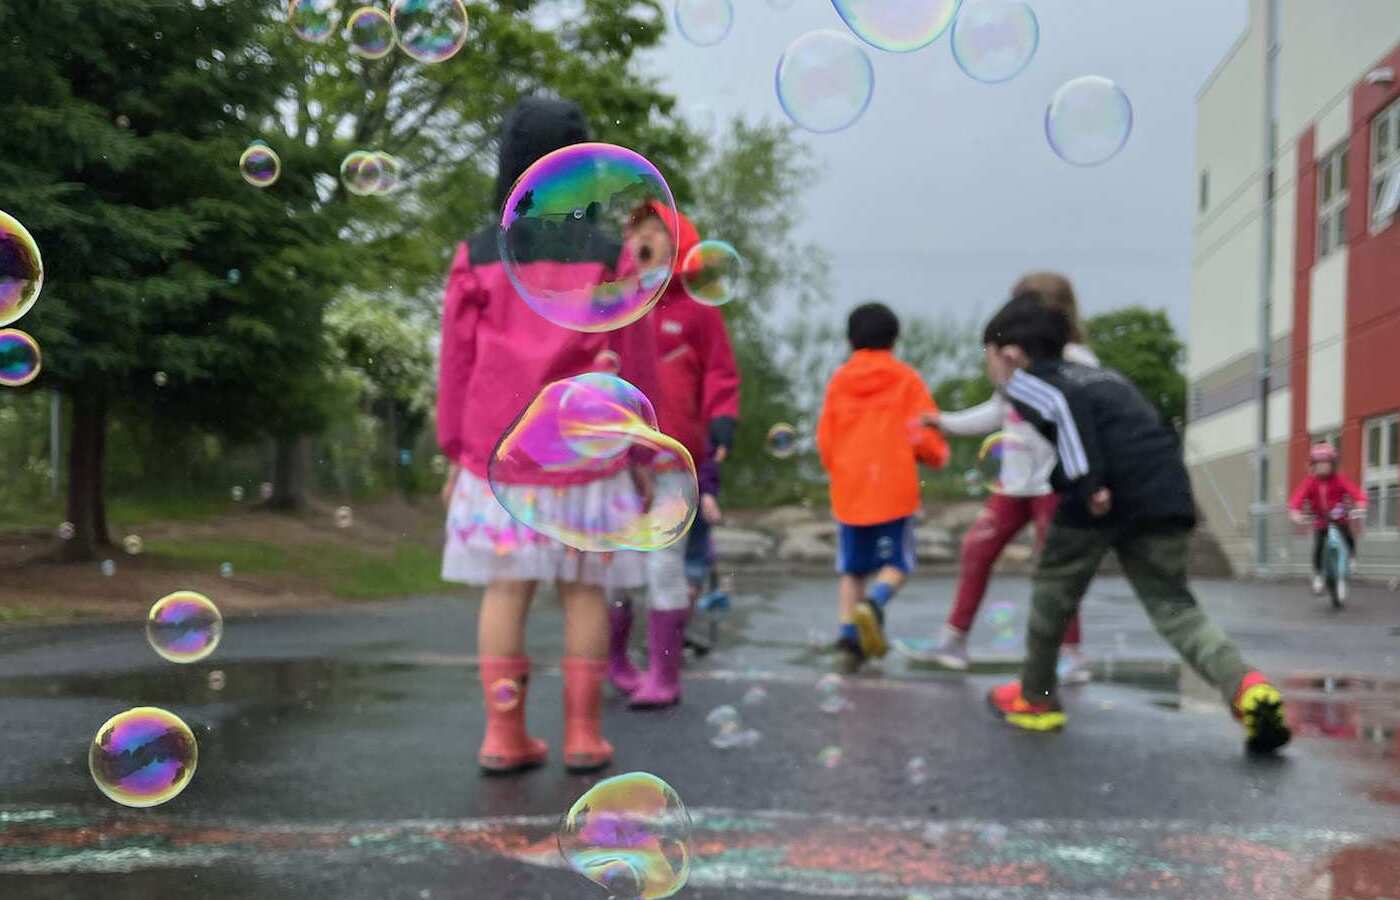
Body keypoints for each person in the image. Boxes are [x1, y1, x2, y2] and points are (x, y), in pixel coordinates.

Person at [436, 97, 659, 775]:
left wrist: (454, 450)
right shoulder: (608, 253)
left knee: (505, 590)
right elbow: (638, 357)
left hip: (498, 457)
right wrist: (644, 450)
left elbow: (456, 361)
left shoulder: (477, 253)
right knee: (585, 592)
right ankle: (584, 736)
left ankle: (503, 737)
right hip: (585, 456)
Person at [979, 293, 1291, 754]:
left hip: (1101, 491)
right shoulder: (1104, 377)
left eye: (988, 356)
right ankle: (1246, 688)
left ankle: (1036, 698)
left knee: (1053, 594)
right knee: (1176, 608)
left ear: (1008, 354)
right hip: (1164, 492)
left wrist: (1088, 483)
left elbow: (1068, 415)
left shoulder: (1026, 381)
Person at [902, 273, 1095, 680]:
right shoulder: (1016, 358)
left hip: (1053, 483)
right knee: (977, 549)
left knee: (1054, 567)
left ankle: (1072, 653)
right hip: (1014, 481)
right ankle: (953, 640)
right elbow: (997, 411)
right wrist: (944, 423)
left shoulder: (1077, 362)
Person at [606, 201, 740, 708]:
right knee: (617, 566)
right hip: (621, 457)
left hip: (675, 456)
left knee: (665, 564)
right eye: (634, 228)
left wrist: (722, 420)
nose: (642, 237)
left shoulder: (697, 311)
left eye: (655, 229)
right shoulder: (613, 304)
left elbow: (721, 374)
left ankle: (665, 672)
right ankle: (618, 661)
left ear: (679, 240)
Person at [817, 302, 950, 672]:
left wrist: (839, 469)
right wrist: (936, 455)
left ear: (850, 339)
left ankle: (847, 636)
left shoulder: (840, 380)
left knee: (852, 569)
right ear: (894, 339)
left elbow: (826, 439)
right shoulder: (906, 379)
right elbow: (924, 430)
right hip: (894, 489)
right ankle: (874, 603)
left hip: (851, 490)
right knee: (899, 561)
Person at [1288, 442, 1366, 602]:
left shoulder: (1339, 479)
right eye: (1319, 463)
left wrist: (1360, 504)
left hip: (1339, 516)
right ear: (1313, 465)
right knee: (1318, 546)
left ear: (1333, 464)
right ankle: (1318, 575)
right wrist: (1295, 513)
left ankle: (1351, 558)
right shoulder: (1309, 482)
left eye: (1326, 463)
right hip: (1320, 519)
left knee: (1348, 535)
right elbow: (1297, 499)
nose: (1322, 467)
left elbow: (1356, 493)